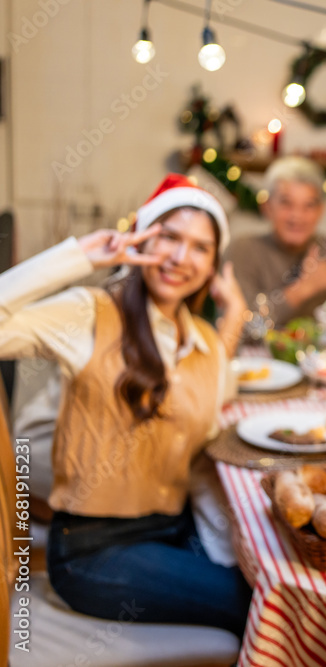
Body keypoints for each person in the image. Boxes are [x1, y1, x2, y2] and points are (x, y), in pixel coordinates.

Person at [0, 174, 252, 638]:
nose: (180, 257)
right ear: (140, 238)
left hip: (175, 530)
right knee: (254, 603)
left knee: (266, 573)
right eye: (169, 237)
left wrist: (223, 544)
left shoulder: (207, 346)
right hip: (94, 552)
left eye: (200, 247)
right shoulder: (91, 313)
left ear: (214, 264)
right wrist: (79, 256)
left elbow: (201, 451)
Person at [227, 156, 326, 327]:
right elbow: (243, 326)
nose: (297, 216)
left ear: (321, 211)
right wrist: (303, 289)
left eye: (309, 205)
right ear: (267, 207)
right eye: (286, 203)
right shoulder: (243, 251)